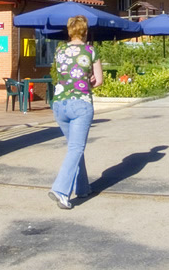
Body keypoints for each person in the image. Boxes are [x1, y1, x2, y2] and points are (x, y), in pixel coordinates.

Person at [47, 15, 103, 209]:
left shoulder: (60, 50)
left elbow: (63, 73)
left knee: (74, 147)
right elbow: (99, 80)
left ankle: (83, 187)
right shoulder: (90, 50)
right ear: (85, 31)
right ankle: (61, 190)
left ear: (70, 31)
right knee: (76, 148)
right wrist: (88, 81)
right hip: (80, 104)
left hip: (59, 104)